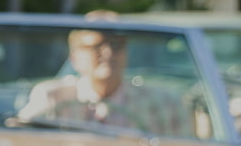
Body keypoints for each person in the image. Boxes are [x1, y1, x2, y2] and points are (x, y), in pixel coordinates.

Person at [17, 16, 188, 137]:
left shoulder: (164, 103)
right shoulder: (52, 98)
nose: (108, 53)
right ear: (75, 58)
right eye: (96, 46)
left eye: (116, 45)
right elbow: (21, 142)